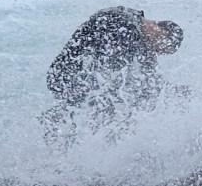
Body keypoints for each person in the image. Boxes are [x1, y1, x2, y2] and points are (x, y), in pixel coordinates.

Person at [45, 6, 182, 121]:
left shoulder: (133, 20)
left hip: (66, 77)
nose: (153, 51)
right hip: (66, 78)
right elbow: (110, 72)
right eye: (158, 47)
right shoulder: (125, 26)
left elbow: (149, 77)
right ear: (159, 32)